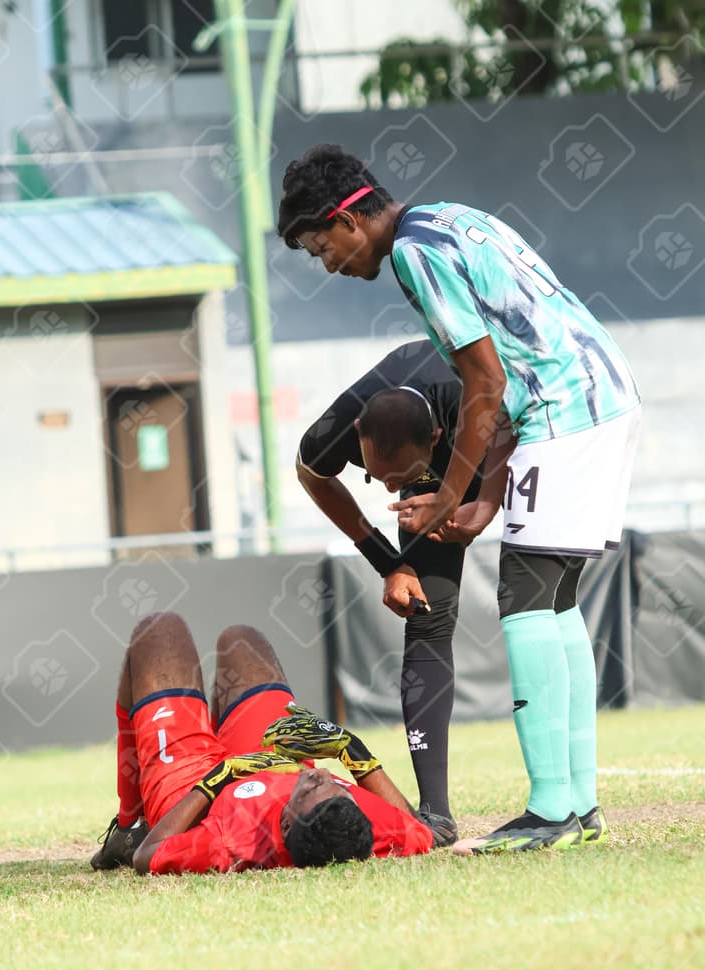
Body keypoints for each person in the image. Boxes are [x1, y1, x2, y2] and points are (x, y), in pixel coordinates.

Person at [277, 144, 641, 854]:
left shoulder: (414, 255)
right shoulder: (447, 217)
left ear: (349, 220)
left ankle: (551, 810)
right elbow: (506, 368)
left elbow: (485, 384)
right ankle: (579, 804)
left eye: (323, 248)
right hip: (603, 393)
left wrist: (447, 498)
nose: (329, 264)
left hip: (565, 413)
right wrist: (481, 500)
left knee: (526, 599)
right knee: (556, 601)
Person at [298, 338, 487, 839]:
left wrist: (480, 509)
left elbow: (524, 442)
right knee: (427, 616)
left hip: (499, 446)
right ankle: (437, 813)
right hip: (433, 475)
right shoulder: (341, 425)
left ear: (436, 438)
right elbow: (311, 473)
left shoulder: (471, 397)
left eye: (398, 477)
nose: (385, 488)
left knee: (531, 592)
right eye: (377, 477)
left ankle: (561, 802)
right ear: (358, 433)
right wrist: (389, 562)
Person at [90, 611, 447, 875]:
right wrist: (349, 749)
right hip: (274, 759)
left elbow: (148, 857)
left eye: (310, 789)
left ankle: (127, 825)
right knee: (242, 641)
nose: (322, 776)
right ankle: (220, 730)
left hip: (194, 792)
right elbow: (419, 833)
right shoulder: (362, 828)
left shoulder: (231, 844)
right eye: (339, 788)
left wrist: (221, 776)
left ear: (288, 824)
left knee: (159, 631)